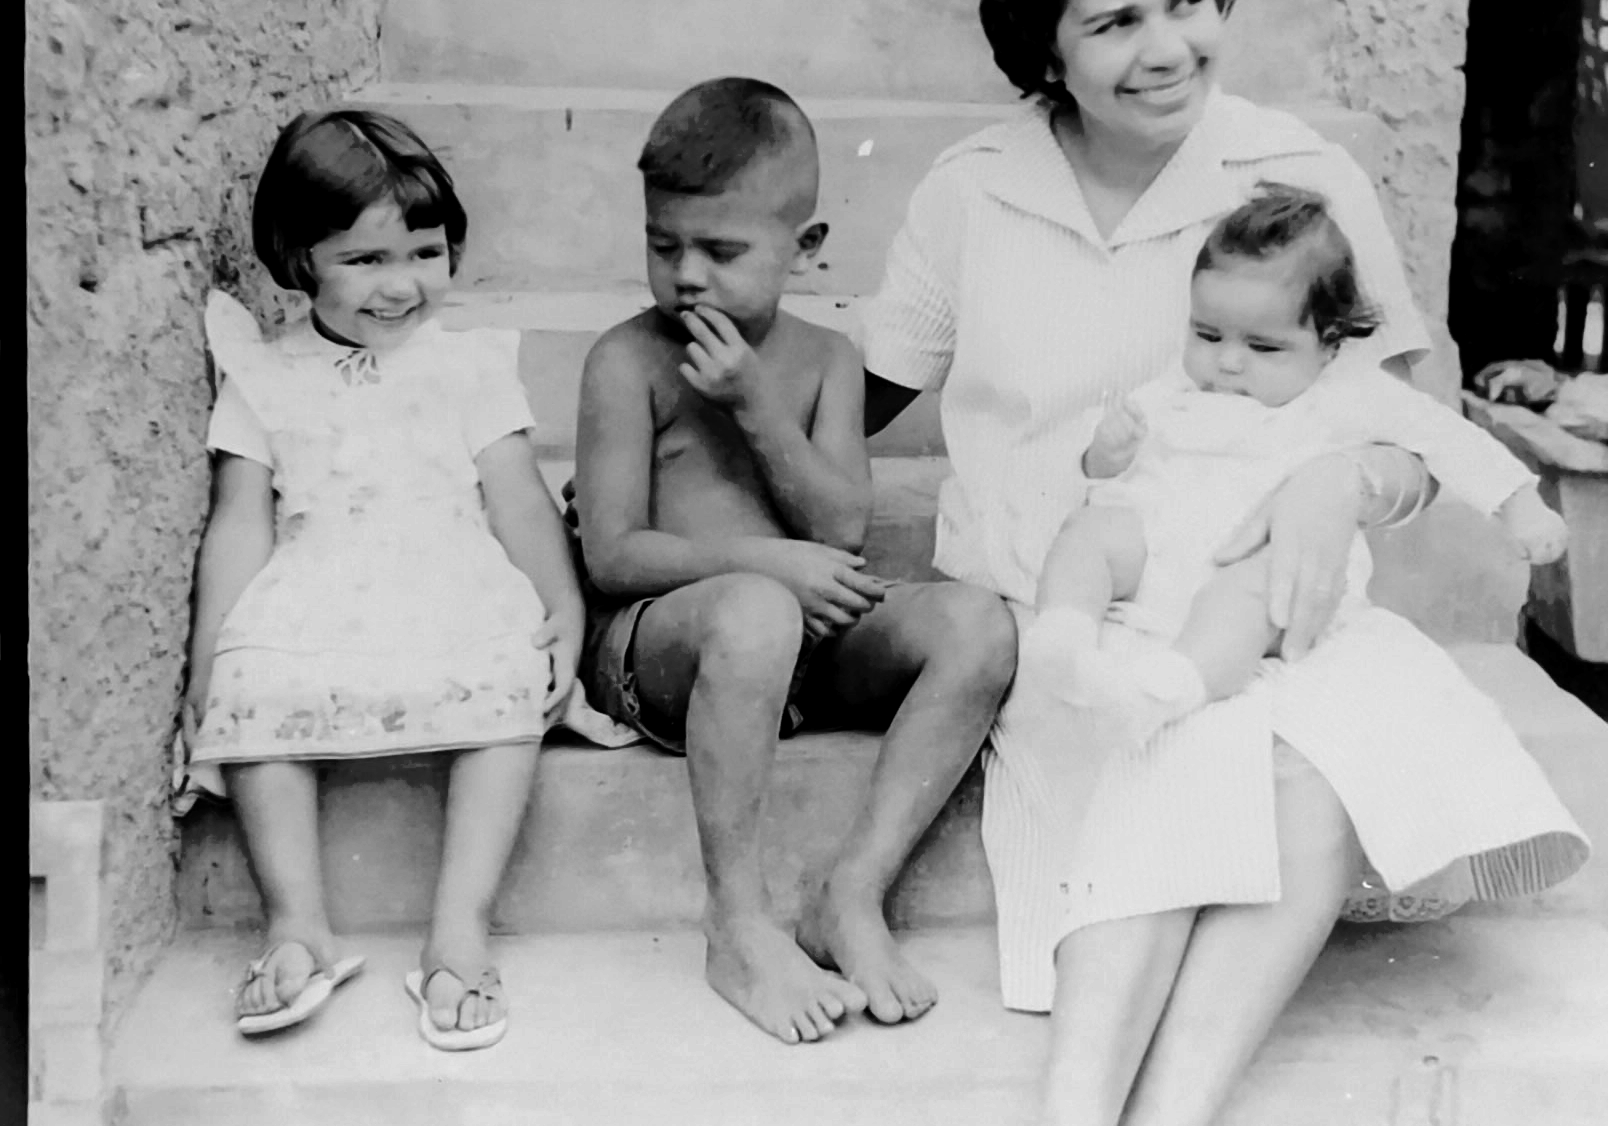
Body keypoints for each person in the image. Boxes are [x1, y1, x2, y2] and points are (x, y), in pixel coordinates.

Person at [859, 0, 1589, 1126]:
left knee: (1296, 767)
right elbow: (866, 393)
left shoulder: (1296, 176)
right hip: (1068, 613)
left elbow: (1402, 423)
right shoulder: (969, 188)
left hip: (1267, 607)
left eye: (1187, 1)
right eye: (1114, 21)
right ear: (1043, 44)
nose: (1165, 49)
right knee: (1183, 753)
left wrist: (1339, 486)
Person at [572, 77, 1016, 1046]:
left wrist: (753, 403)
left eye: (721, 251)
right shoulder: (625, 361)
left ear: (805, 247)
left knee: (978, 626)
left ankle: (850, 893)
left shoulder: (825, 360)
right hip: (666, 648)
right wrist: (773, 566)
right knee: (755, 611)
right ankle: (738, 926)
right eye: (662, 245)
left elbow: (843, 524)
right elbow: (611, 555)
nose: (687, 276)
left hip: (801, 640)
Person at [183, 110, 584, 1052]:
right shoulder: (266, 375)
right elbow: (240, 521)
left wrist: (564, 604)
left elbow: (520, 501)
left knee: (506, 673)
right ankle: (297, 926)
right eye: (365, 260)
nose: (401, 285)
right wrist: (208, 660)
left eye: (424, 253)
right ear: (301, 258)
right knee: (254, 680)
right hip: (316, 580)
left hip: (448, 574)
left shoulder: (468, 367)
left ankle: (458, 930)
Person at [1019, 183, 1571, 754]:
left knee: (1256, 592)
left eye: (1264, 347)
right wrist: (1107, 453)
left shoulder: (1346, 394)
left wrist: (1519, 505)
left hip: (1264, 573)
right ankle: (1062, 639)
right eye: (1206, 334)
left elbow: (1446, 438)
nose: (1226, 361)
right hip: (1161, 557)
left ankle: (1163, 691)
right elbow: (1101, 471)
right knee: (1092, 532)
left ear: (1329, 344)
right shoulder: (1179, 385)